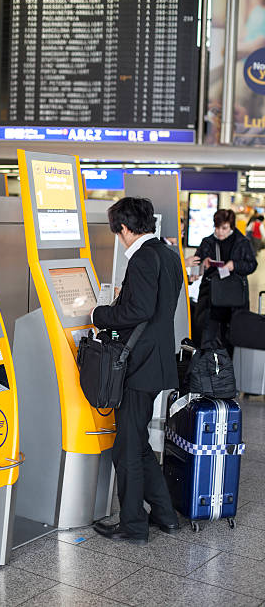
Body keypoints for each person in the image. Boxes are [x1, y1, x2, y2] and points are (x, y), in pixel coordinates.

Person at [92, 197, 183, 545]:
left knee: (126, 448)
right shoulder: (167, 253)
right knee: (139, 442)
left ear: (125, 229)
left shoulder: (143, 258)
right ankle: (164, 514)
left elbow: (138, 311)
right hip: (157, 362)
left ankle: (133, 525)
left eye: (118, 230)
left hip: (138, 367)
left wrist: (99, 315)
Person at [192, 209, 257, 352]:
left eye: (224, 228)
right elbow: (196, 266)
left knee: (232, 338)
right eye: (217, 227)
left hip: (234, 298)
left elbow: (252, 264)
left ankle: (229, 371)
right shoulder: (207, 242)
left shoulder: (242, 242)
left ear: (231, 227)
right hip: (211, 297)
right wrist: (204, 264)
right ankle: (208, 369)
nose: (220, 232)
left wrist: (235, 265)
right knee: (207, 337)